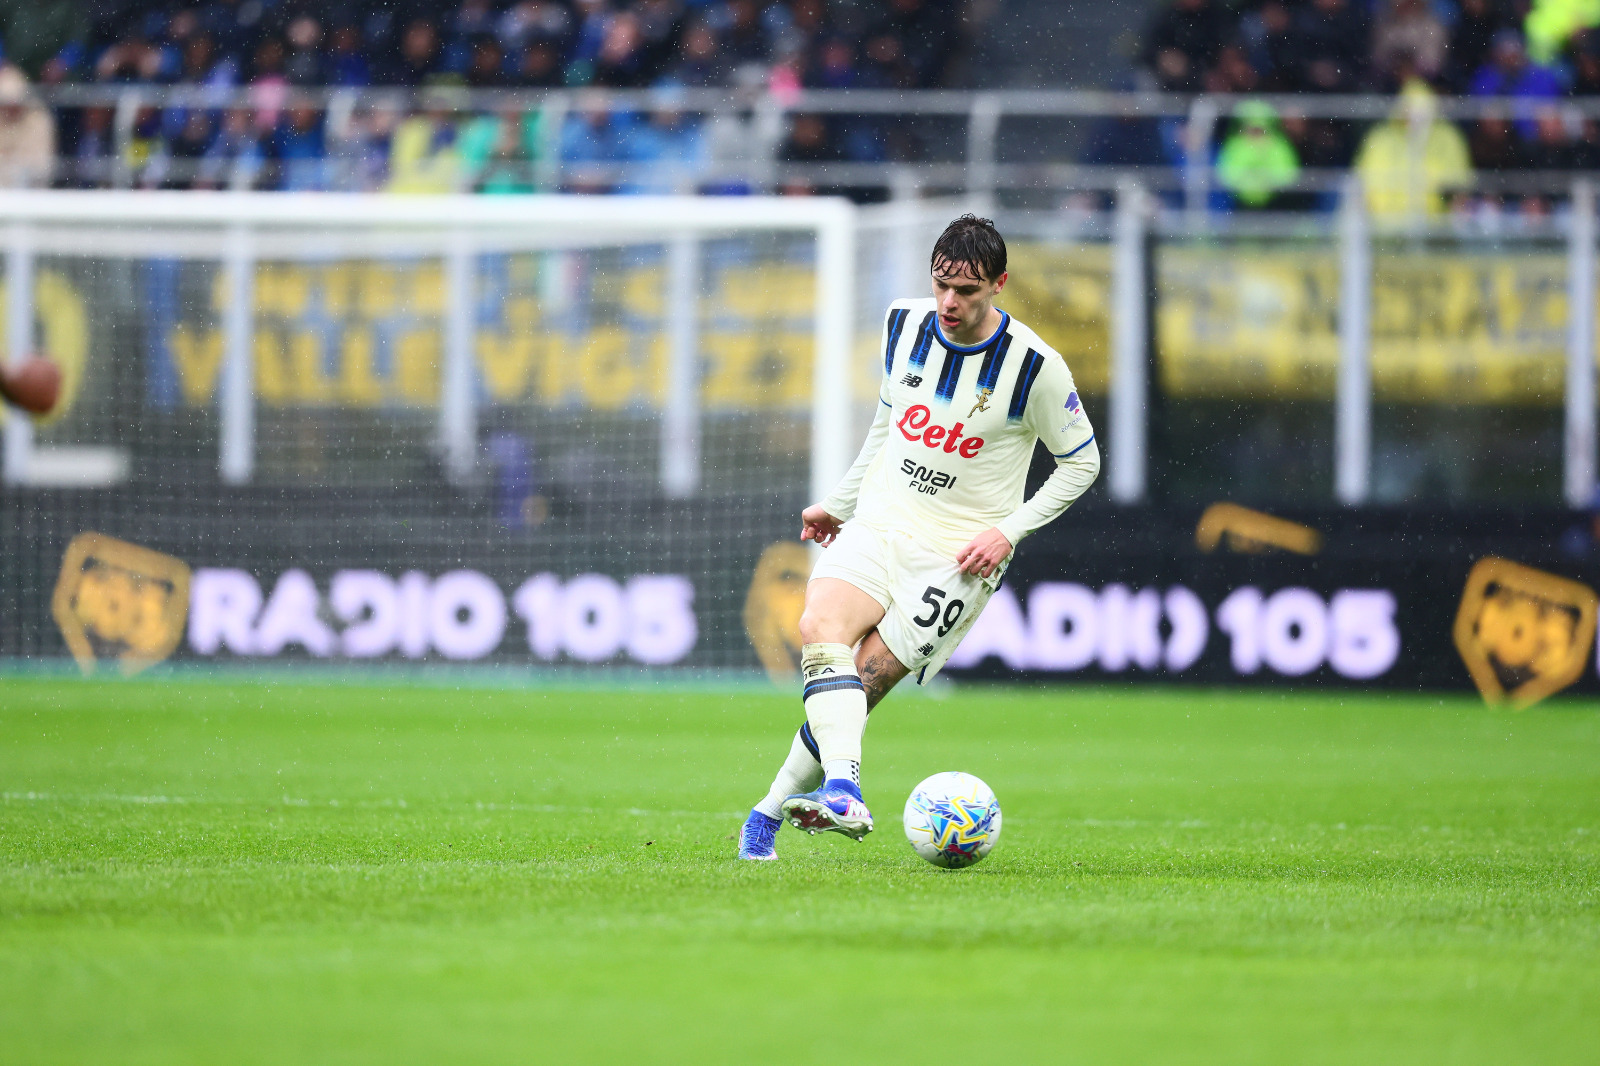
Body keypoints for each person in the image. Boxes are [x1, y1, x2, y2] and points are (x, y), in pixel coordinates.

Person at [736, 215, 1101, 860]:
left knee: (861, 686)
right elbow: (888, 422)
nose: (949, 302)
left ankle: (765, 814)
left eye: (967, 290)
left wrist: (1008, 532)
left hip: (956, 560)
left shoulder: (1035, 368)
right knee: (820, 626)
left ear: (999, 284)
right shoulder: (903, 324)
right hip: (881, 523)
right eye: (941, 285)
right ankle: (844, 790)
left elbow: (1083, 463)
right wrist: (839, 502)